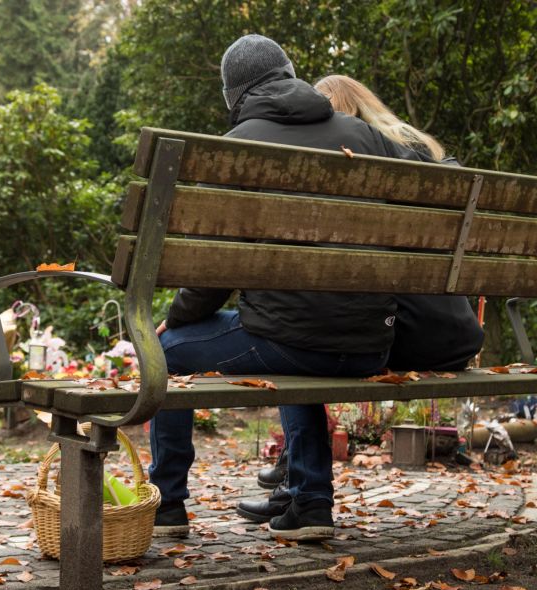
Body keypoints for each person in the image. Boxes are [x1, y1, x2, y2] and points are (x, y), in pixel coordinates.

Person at [150, 35, 436, 541]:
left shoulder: (238, 148)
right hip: (370, 344)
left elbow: (213, 271)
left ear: (232, 95)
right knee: (295, 341)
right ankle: (310, 505)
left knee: (165, 352)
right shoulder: (363, 135)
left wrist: (176, 318)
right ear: (289, 72)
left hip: (294, 340)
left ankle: (167, 502)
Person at [237, 74, 485, 524]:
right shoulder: (419, 150)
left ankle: (297, 488)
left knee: (302, 337)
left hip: (407, 332)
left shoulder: (361, 157)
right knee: (307, 334)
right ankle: (293, 490)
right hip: (457, 333)